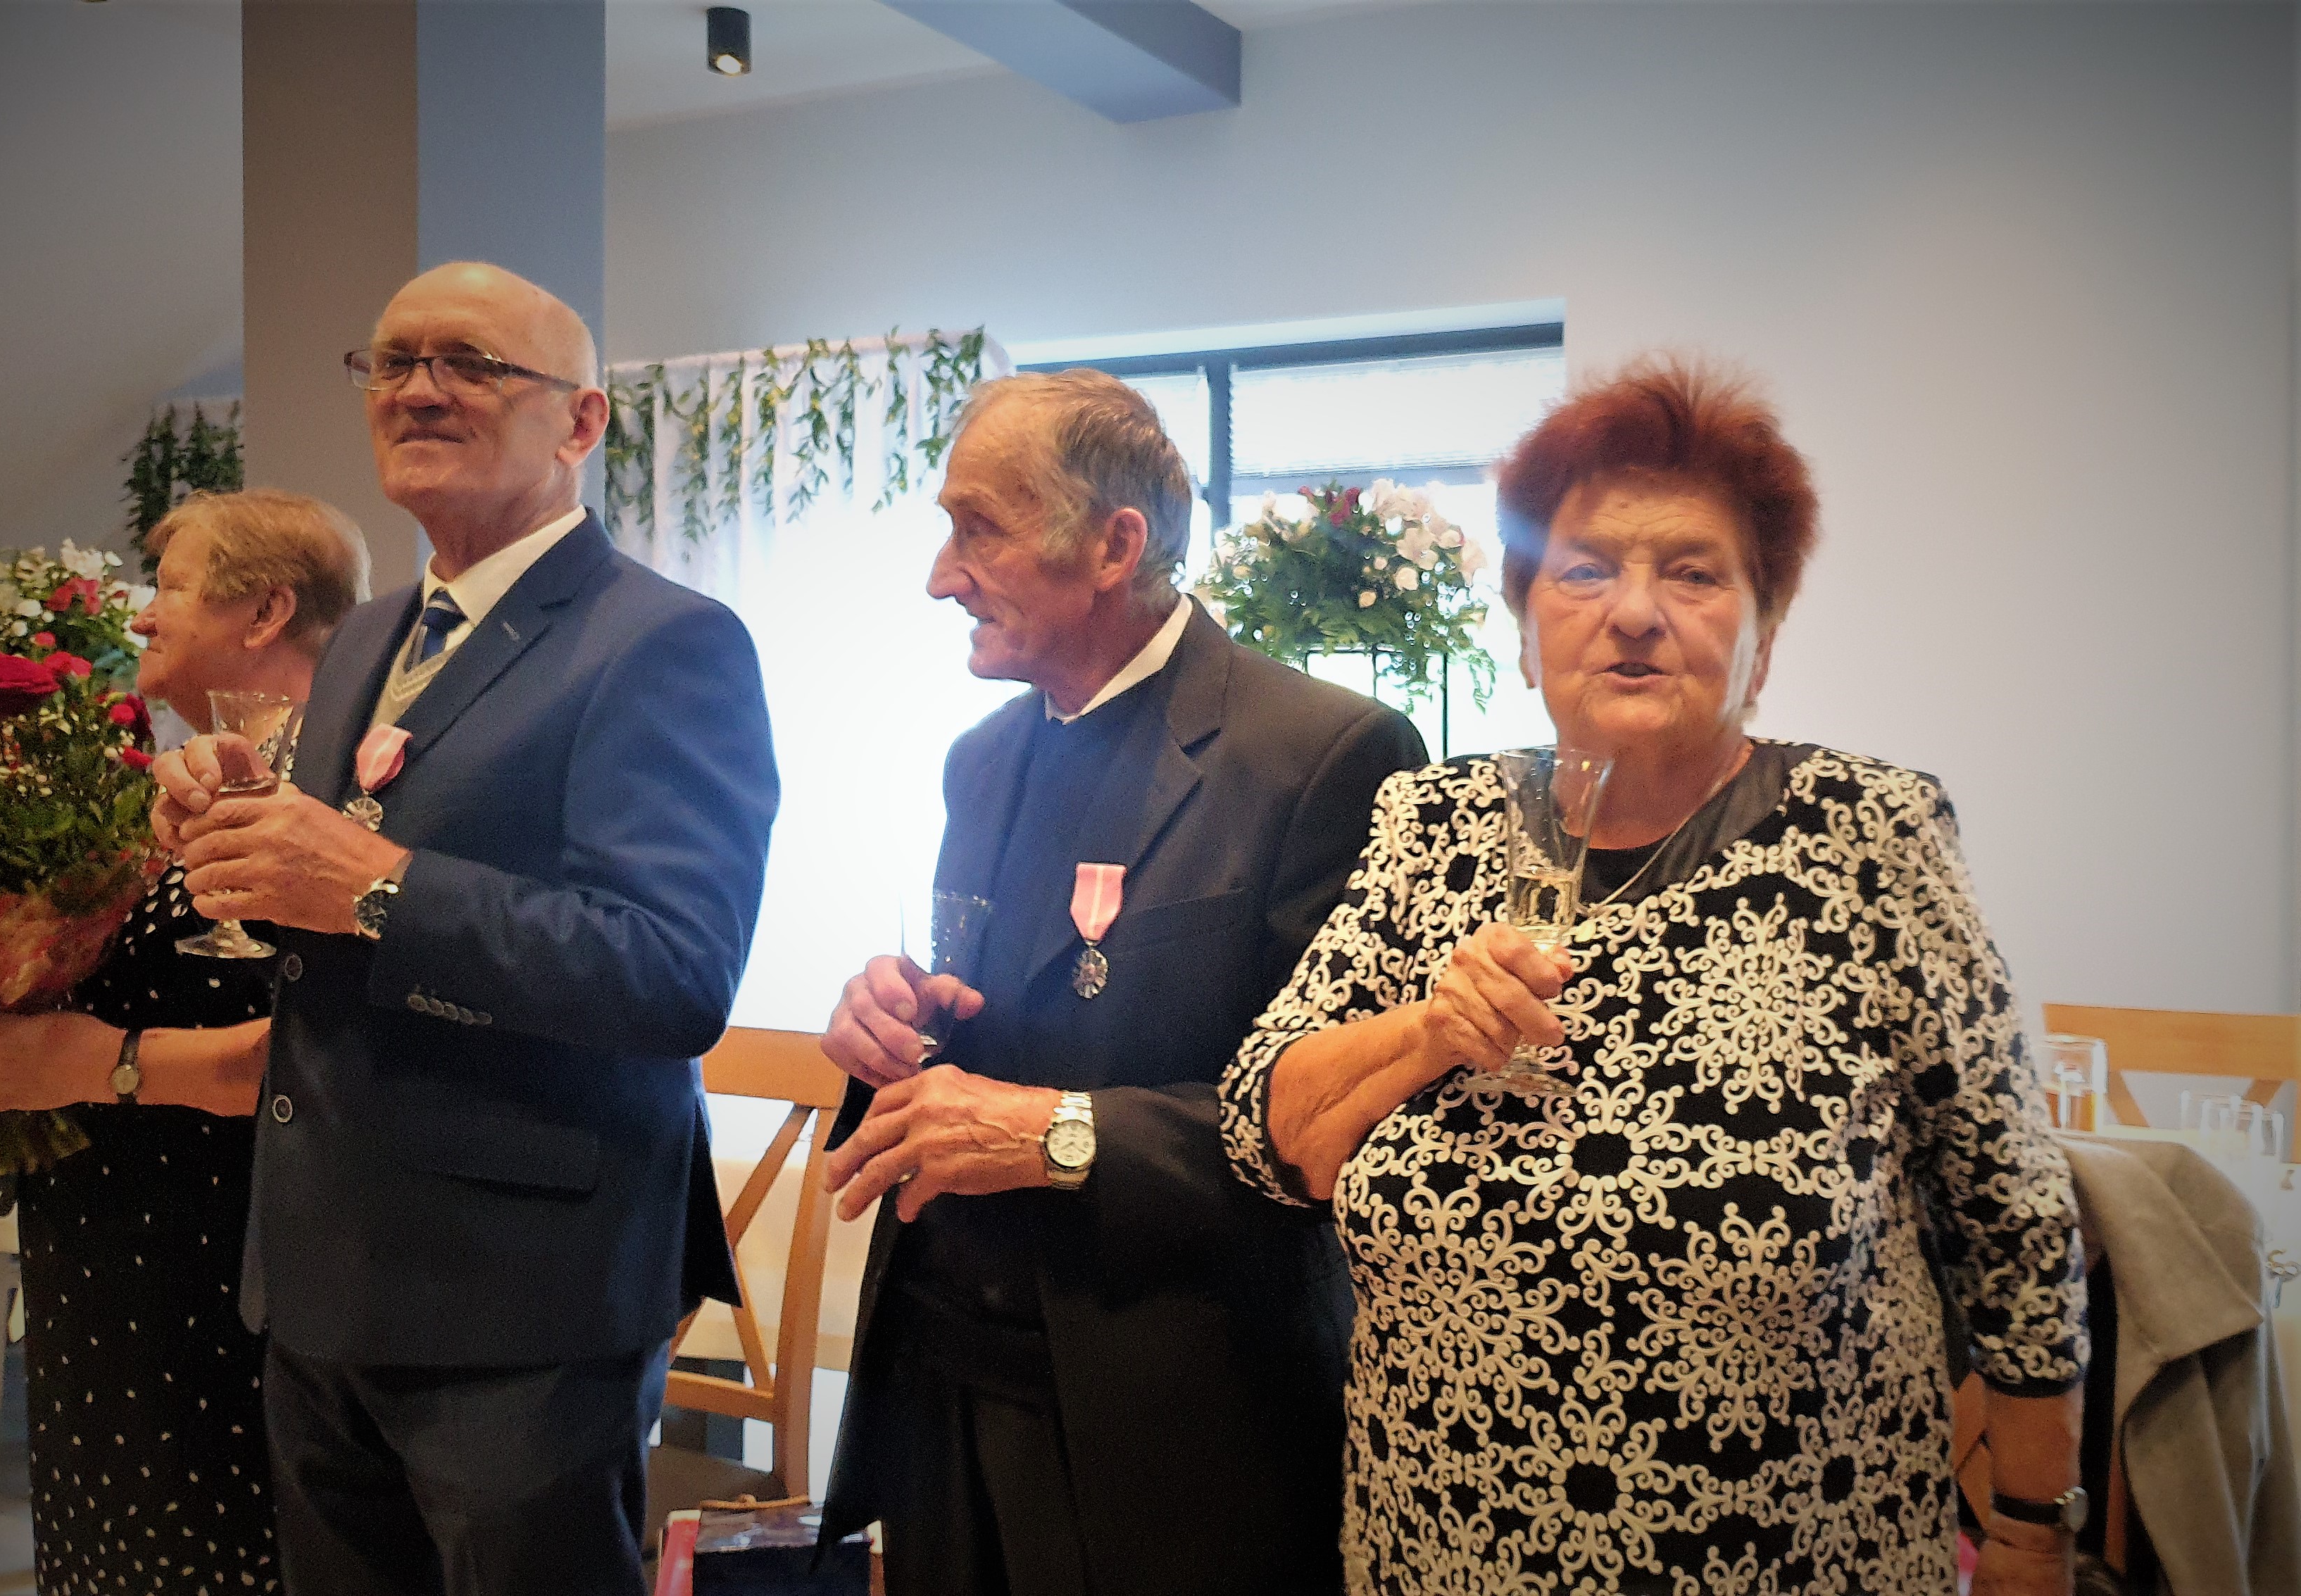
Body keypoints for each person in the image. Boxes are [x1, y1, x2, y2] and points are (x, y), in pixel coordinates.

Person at [1220, 358, 2090, 1596]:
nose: (1634, 612)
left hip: (1794, 1558)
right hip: (1441, 1553)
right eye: (1584, 570)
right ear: (1525, 632)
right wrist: (1429, 1030)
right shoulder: (1432, 826)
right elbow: (1268, 1138)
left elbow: (2009, 1209)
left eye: (1692, 572)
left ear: (1761, 641)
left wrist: (2028, 1532)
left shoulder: (1868, 838)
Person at [147, 261, 779, 1596]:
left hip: (521, 1301)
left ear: (582, 421)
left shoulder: (663, 642)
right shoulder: (373, 633)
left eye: (474, 364)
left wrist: (377, 886)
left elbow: (673, 975)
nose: (420, 389)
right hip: (323, 1274)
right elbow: (330, 889)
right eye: (394, 361)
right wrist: (236, 816)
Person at [815, 369, 1425, 1596]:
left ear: (1114, 545)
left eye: (977, 528)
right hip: (939, 1394)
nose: (941, 577)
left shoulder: (1324, 755)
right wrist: (893, 1025)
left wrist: (1062, 1134)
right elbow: (993, 1027)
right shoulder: (979, 760)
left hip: (1168, 1423)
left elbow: (1346, 1126)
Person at [0, 487, 367, 1596]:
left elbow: (324, 1053)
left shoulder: (333, 811)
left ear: (267, 611)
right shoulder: (175, 790)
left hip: (217, 1271)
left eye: (173, 588)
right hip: (105, 1266)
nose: (142, 615)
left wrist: (94, 1063)